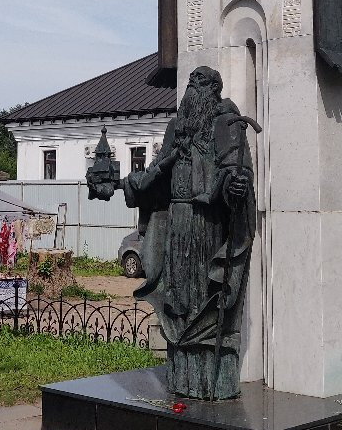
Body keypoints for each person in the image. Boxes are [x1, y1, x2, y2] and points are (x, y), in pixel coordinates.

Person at [89, 66, 255, 400]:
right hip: (177, 224)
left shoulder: (227, 127)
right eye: (191, 86)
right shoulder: (176, 128)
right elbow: (156, 177)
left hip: (208, 224)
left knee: (206, 295)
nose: (193, 92)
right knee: (178, 300)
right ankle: (183, 378)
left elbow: (236, 174)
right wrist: (124, 185)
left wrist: (236, 187)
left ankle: (212, 380)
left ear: (214, 92)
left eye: (201, 86)